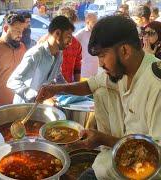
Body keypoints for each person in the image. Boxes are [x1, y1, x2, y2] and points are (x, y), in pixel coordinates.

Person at [36, 15, 161, 179]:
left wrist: (104, 139)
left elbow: (156, 155)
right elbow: (91, 85)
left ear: (125, 50)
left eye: (102, 56)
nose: (100, 64)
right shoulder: (123, 70)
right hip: (111, 164)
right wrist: (56, 89)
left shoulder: (155, 84)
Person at [7, 16, 73, 104]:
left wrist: (71, 91)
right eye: (68, 37)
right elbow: (12, 81)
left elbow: (57, 77)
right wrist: (36, 95)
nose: (70, 42)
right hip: (23, 108)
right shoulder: (36, 54)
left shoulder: (59, 54)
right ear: (57, 33)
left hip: (40, 107)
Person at [58, 7, 82, 83]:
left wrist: (76, 88)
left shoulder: (76, 44)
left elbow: (77, 67)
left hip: (67, 89)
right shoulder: (46, 42)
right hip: (48, 90)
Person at [75, 12, 99, 78]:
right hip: (85, 70)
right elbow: (71, 43)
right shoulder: (81, 33)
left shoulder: (99, 33)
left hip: (97, 69)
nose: (96, 24)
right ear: (87, 22)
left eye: (97, 21)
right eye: (94, 22)